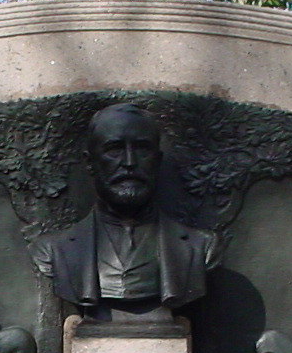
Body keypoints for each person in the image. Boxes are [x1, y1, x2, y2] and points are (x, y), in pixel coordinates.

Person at [29, 103, 218, 316]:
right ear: (90, 163)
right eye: (114, 149)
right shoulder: (54, 249)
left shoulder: (200, 247)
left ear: (157, 161)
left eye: (142, 149)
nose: (129, 162)